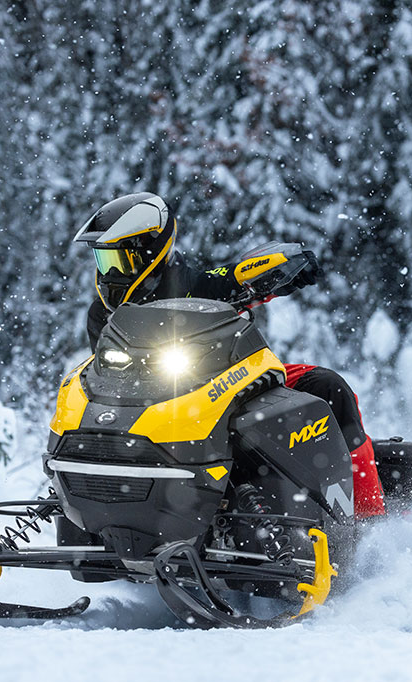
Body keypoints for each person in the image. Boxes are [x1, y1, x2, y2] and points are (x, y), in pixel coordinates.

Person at [73, 191, 385, 518]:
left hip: (221, 385)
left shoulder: (192, 285)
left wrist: (284, 268)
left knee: (328, 387)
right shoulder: (101, 315)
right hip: (143, 406)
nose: (110, 273)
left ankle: (368, 517)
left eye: (119, 260)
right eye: (104, 261)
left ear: (150, 250)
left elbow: (233, 278)